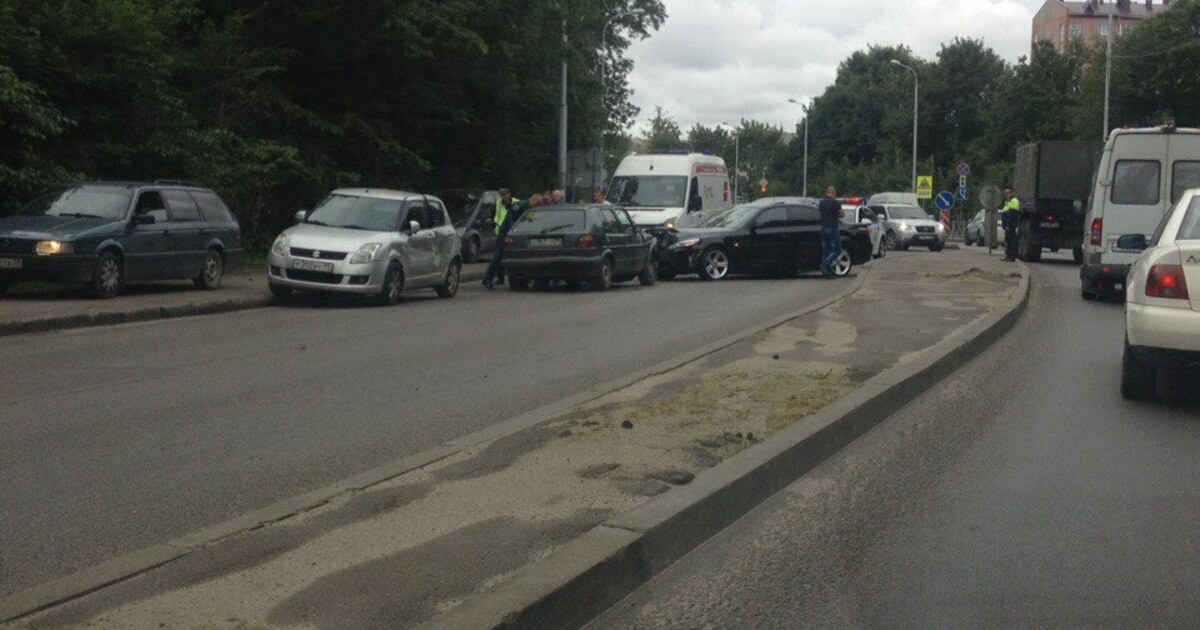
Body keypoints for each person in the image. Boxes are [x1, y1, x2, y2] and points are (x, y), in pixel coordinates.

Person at [484, 193, 544, 290]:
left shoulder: (529, 208)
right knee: (498, 256)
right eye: (538, 203)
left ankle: (497, 278)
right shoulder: (520, 205)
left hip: (515, 235)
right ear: (534, 200)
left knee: (502, 256)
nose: (538, 206)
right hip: (506, 233)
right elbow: (510, 218)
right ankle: (487, 279)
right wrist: (515, 229)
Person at [491, 189, 519, 284]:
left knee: (509, 255)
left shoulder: (516, 202)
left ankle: (514, 277)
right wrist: (496, 225)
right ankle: (500, 278)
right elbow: (497, 215)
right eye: (501, 195)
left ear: (509, 194)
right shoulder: (499, 202)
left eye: (504, 194)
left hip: (511, 231)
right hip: (501, 231)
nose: (503, 196)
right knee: (499, 256)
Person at [818, 185, 845, 278]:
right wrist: (836, 215)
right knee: (837, 250)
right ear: (833, 192)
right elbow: (842, 214)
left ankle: (827, 273)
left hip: (823, 229)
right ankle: (825, 264)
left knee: (826, 251)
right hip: (832, 228)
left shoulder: (821, 203)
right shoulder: (835, 203)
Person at [1001, 188, 1021, 262]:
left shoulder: (1014, 201)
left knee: (1012, 241)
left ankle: (1011, 257)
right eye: (1006, 193)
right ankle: (1008, 256)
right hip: (1009, 225)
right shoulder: (1008, 201)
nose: (1007, 195)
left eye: (1008, 193)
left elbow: (1011, 214)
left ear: (1011, 193)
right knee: (1008, 240)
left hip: (1011, 225)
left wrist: (1008, 225)